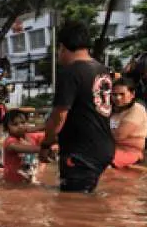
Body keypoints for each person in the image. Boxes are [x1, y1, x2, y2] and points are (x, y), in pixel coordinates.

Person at [39, 21, 115, 193]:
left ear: (63, 47)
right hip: (104, 148)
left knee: (72, 204)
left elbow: (59, 116)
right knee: (84, 196)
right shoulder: (103, 70)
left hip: (81, 152)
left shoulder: (70, 73)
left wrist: (46, 143)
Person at [110, 77, 147, 169]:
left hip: (130, 153)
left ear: (132, 94)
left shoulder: (137, 110)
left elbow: (119, 135)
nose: (118, 98)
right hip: (110, 149)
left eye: (122, 94)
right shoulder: (111, 109)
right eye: (114, 94)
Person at [2, 108, 46, 184]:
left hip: (29, 180)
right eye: (15, 124)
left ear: (27, 123)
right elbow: (22, 148)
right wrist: (44, 149)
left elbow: (50, 133)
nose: (20, 126)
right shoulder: (10, 142)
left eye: (23, 122)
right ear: (7, 129)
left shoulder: (32, 137)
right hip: (12, 184)